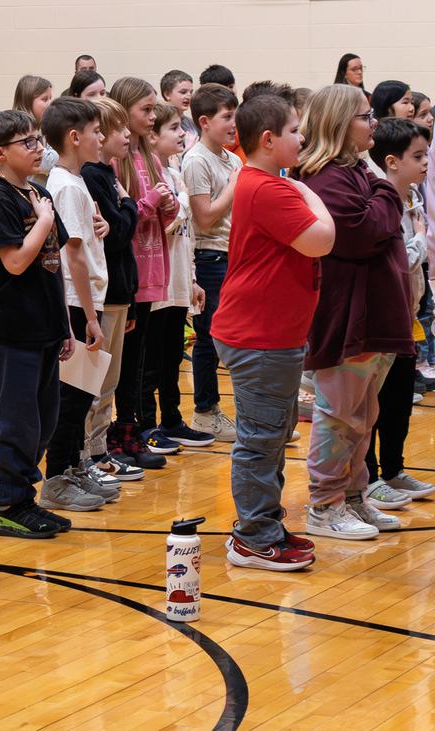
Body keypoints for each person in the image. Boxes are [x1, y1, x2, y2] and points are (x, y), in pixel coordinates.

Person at [212, 93, 334, 570]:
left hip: (269, 334)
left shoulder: (263, 182)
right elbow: (321, 240)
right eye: (295, 131)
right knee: (261, 440)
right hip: (258, 336)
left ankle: (266, 524)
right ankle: (253, 537)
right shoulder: (270, 188)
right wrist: (308, 194)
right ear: (268, 139)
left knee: (272, 434)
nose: (302, 138)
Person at [294, 84, 415, 539]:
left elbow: (380, 222)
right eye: (366, 116)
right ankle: (323, 506)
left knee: (362, 416)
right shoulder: (326, 177)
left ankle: (352, 496)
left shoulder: (357, 172)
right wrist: (388, 191)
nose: (374, 123)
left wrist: (380, 193)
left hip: (374, 316)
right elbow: (365, 232)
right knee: (338, 414)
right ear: (341, 124)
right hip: (349, 317)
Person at [0, 110, 77, 536]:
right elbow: (16, 262)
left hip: (45, 326)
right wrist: (45, 222)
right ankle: (7, 503)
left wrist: (65, 324)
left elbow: (53, 264)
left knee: (44, 420)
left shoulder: (35, 194)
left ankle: (24, 498)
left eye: (38, 139)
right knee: (19, 421)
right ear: (0, 153)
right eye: (28, 142)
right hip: (13, 327)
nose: (39, 148)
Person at [40, 97, 122, 505]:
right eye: (95, 131)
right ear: (75, 137)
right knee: (71, 398)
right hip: (76, 303)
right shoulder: (67, 185)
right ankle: (57, 480)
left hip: (85, 300)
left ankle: (72, 468)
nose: (102, 137)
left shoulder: (73, 181)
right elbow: (73, 254)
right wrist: (89, 317)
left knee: (82, 394)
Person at [362, 118, 435, 503]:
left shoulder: (412, 197)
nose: (426, 163)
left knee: (400, 400)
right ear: (391, 161)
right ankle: (370, 476)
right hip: (381, 317)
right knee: (372, 403)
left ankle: (395, 470)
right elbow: (398, 260)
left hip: (407, 315)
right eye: (418, 156)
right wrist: (422, 239)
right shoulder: (379, 198)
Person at [106, 77, 177, 468]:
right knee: (123, 361)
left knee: (137, 359)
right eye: (146, 110)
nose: (153, 117)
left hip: (151, 269)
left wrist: (167, 206)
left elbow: (168, 212)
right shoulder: (114, 160)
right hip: (125, 274)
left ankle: (132, 433)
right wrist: (150, 203)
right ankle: (115, 436)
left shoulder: (149, 155)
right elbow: (123, 221)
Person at [79, 97, 144, 483]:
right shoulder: (91, 177)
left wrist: (124, 205)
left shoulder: (108, 175)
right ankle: (84, 454)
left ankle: (101, 451)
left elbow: (120, 231)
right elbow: (118, 233)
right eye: (116, 128)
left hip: (120, 294)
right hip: (102, 297)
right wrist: (129, 204)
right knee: (92, 382)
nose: (125, 134)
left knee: (109, 382)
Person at [140, 103, 212, 451]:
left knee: (171, 359)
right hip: (157, 285)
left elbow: (188, 234)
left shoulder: (173, 174)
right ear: (151, 137)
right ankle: (145, 425)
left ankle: (172, 420)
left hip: (180, 280)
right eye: (172, 128)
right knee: (150, 362)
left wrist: (194, 278)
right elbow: (168, 222)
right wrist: (183, 193)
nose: (181, 133)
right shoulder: (154, 178)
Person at [183, 82, 242, 442]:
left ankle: (220, 409)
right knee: (208, 338)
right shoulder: (196, 160)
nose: (234, 124)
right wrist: (236, 184)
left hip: (232, 256)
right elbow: (203, 217)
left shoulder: (232, 159)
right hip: (208, 257)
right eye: (227, 117)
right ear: (204, 121)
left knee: (228, 337)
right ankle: (204, 411)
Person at [12, 75, 57, 183]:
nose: (50, 103)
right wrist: (64, 149)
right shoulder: (21, 130)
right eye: (45, 99)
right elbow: (48, 163)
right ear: (27, 101)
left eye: (50, 98)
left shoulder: (41, 128)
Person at [161, 70, 198, 152]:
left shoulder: (191, 122)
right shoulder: (162, 123)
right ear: (167, 95)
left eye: (191, 92)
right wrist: (188, 149)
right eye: (183, 92)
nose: (188, 97)